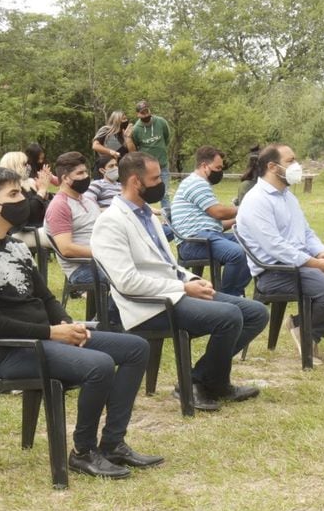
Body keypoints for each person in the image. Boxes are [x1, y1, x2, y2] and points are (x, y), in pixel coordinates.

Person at [0, 166, 162, 479]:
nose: (22, 199)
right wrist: (53, 333)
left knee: (136, 348)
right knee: (100, 365)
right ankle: (83, 451)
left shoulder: (15, 246)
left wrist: (68, 325)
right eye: (13, 194)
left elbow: (47, 299)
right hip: (14, 352)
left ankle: (113, 443)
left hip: (49, 338)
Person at [92, 152, 268, 412]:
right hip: (148, 306)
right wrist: (182, 287)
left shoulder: (148, 215)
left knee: (255, 312)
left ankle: (206, 379)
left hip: (175, 292)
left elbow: (168, 265)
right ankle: (198, 383)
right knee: (229, 315)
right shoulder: (110, 222)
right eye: (154, 179)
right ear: (134, 181)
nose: (160, 184)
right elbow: (127, 282)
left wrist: (194, 279)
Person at [236, 144, 324, 363]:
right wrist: (317, 265)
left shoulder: (287, 196)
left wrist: (322, 254)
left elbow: (306, 232)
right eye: (291, 161)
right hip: (275, 273)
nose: (296, 166)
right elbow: (275, 247)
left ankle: (306, 329)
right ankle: (304, 331)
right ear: (272, 166)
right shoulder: (256, 200)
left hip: (301, 266)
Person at [169, 146, 251, 297]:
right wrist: (245, 208)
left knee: (254, 244)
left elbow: (216, 226)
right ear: (204, 166)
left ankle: (236, 292)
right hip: (193, 243)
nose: (220, 171)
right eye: (218, 167)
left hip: (205, 237)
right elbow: (218, 213)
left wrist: (239, 220)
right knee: (237, 253)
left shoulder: (200, 184)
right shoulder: (196, 183)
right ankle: (227, 297)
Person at [45, 151, 103, 286]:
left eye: (86, 172)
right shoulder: (60, 205)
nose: (86, 177)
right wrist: (104, 253)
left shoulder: (86, 198)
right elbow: (66, 248)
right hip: (83, 268)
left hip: (102, 260)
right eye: (80, 173)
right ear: (65, 178)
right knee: (125, 279)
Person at [130, 101, 173, 189]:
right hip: (146, 167)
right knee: (146, 192)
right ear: (138, 114)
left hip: (162, 164)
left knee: (165, 193)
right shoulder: (135, 129)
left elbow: (167, 138)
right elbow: (136, 146)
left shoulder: (161, 122)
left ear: (150, 110)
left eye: (147, 111)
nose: (145, 115)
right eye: (142, 113)